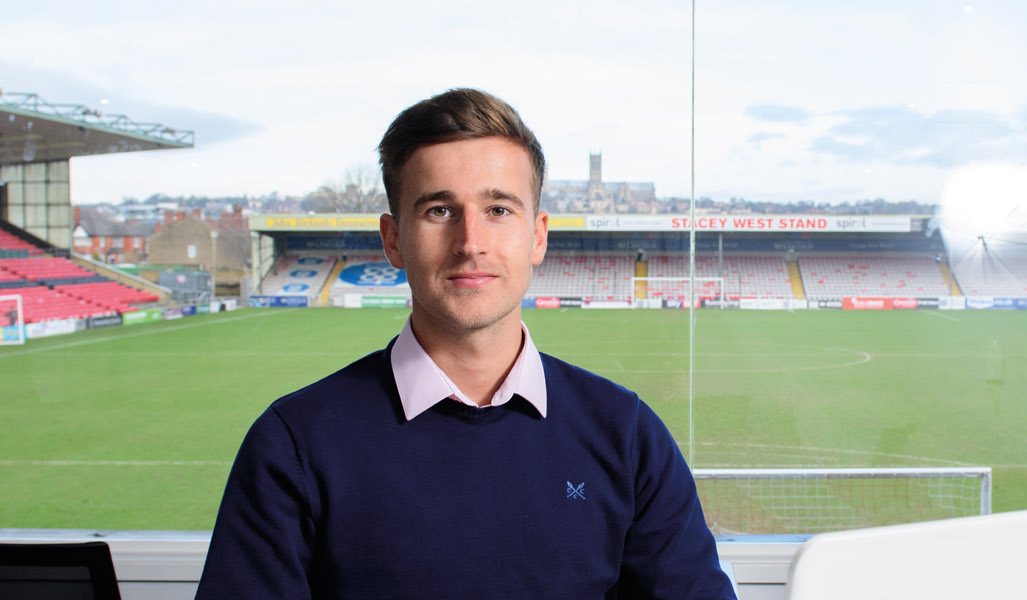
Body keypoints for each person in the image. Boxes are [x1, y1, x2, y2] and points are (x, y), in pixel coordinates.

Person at [198, 88, 735, 599]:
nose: (470, 243)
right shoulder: (292, 445)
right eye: (439, 211)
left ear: (538, 236)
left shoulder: (627, 434)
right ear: (392, 240)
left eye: (498, 210)